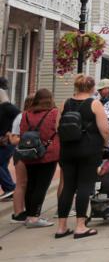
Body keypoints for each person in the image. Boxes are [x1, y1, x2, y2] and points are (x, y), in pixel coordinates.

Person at [55, 74, 109, 239]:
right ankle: (80, 226)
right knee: (85, 186)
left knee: (68, 187)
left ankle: (62, 226)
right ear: (93, 88)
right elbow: (105, 129)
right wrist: (104, 144)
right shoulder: (95, 104)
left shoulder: (65, 103)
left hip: (67, 150)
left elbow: (57, 127)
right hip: (88, 149)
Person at [18, 89, 59, 227]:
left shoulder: (26, 114)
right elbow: (57, 130)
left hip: (29, 153)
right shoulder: (54, 113)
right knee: (41, 186)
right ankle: (34, 217)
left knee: (31, 184)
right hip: (48, 153)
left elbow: (22, 132)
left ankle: (29, 215)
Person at [9, 96, 33, 222]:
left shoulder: (37, 117)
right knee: (21, 182)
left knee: (29, 183)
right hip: (22, 153)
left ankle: (28, 211)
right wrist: (30, 140)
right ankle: (18, 213)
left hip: (32, 154)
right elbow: (13, 139)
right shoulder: (20, 117)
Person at [0, 88, 20, 201]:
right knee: (2, 165)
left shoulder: (8, 107)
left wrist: (11, 132)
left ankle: (10, 188)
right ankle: (9, 190)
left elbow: (20, 117)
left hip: (7, 142)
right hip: (4, 142)